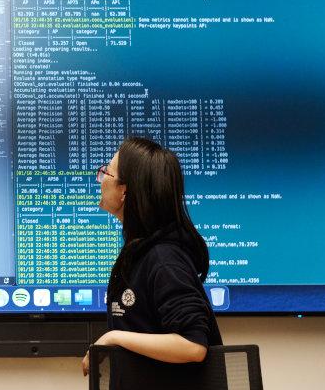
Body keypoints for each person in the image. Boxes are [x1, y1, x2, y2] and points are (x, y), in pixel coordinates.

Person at [82, 135, 221, 377]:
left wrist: (114, 337)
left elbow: (193, 346)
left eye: (107, 173)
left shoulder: (165, 259)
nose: (101, 179)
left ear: (125, 191)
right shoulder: (140, 252)